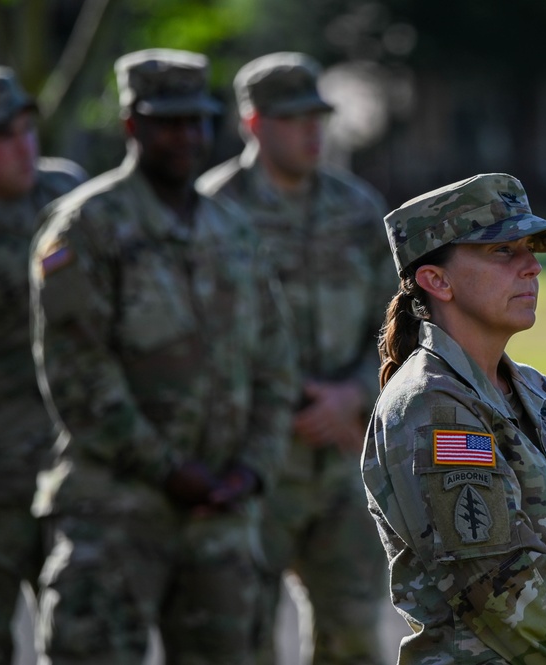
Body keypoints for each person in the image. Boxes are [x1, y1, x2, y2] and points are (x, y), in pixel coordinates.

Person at [29, 48, 298, 664]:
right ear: (132, 126)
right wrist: (168, 467)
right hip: (118, 508)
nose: (186, 136)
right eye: (167, 122)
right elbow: (78, 375)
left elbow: (276, 364)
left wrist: (251, 468)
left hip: (222, 515)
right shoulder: (85, 228)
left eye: (196, 122)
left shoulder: (233, 232)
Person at [362, 173, 546, 664]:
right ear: (436, 280)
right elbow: (495, 585)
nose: (533, 268)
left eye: (530, 249)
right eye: (504, 252)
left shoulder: (540, 394)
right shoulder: (430, 407)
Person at [198, 51, 394, 665]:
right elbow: (192, 340)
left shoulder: (358, 208)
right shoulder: (212, 211)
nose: (314, 131)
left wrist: (353, 393)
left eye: (319, 116)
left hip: (342, 459)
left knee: (357, 636)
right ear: (253, 124)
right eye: (294, 118)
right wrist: (274, 405)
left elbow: (399, 322)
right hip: (252, 462)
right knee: (244, 638)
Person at [0, 65, 85, 665]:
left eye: (29, 129)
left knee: (83, 641)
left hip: (70, 472)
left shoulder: (67, 198)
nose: (25, 146)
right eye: (5, 134)